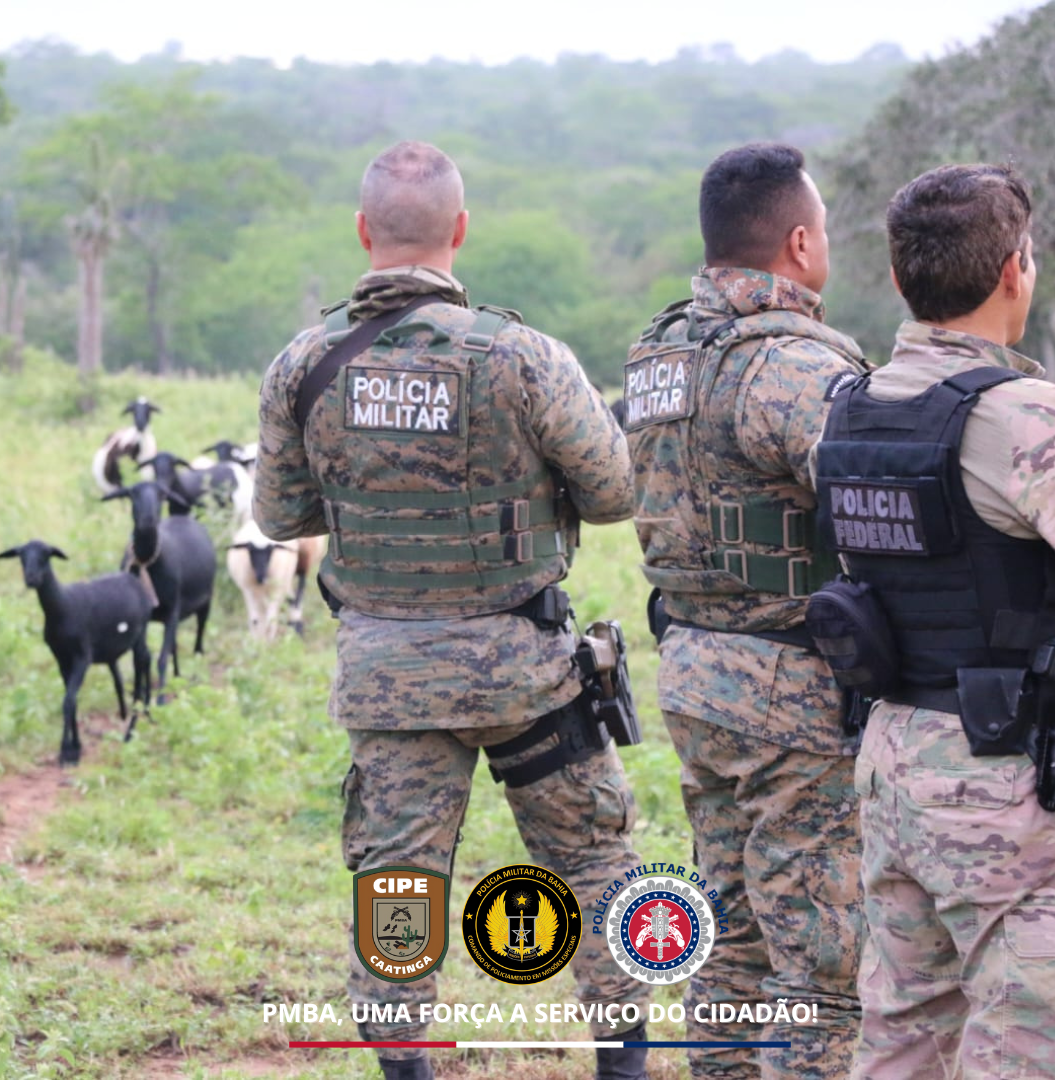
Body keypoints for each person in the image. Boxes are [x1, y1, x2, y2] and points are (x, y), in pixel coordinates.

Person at [253, 141, 650, 1080]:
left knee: (398, 885)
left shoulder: (303, 364)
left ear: (363, 232)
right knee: (595, 866)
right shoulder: (525, 357)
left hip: (390, 678)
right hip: (526, 671)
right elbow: (612, 491)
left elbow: (278, 515)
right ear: (460, 231)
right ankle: (626, 1066)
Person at [812, 163, 1055, 1080]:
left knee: (903, 1036)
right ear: (1017, 271)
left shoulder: (847, 414)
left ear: (898, 280)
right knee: (1030, 1044)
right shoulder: (1029, 422)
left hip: (893, 771)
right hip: (1013, 788)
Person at [623, 142, 866, 1080]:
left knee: (727, 936)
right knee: (819, 963)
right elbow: (882, 505)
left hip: (693, 674)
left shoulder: (659, 351)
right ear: (800, 244)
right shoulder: (793, 365)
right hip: (790, 690)